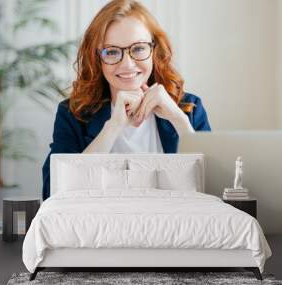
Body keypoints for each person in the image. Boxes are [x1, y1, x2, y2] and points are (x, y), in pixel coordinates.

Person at [41, 0, 211, 200]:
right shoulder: (73, 113)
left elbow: (218, 187)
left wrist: (178, 119)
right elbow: (51, 191)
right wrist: (113, 127)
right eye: (112, 51)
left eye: (138, 48)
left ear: (154, 50)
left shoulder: (189, 107)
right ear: (97, 58)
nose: (128, 64)